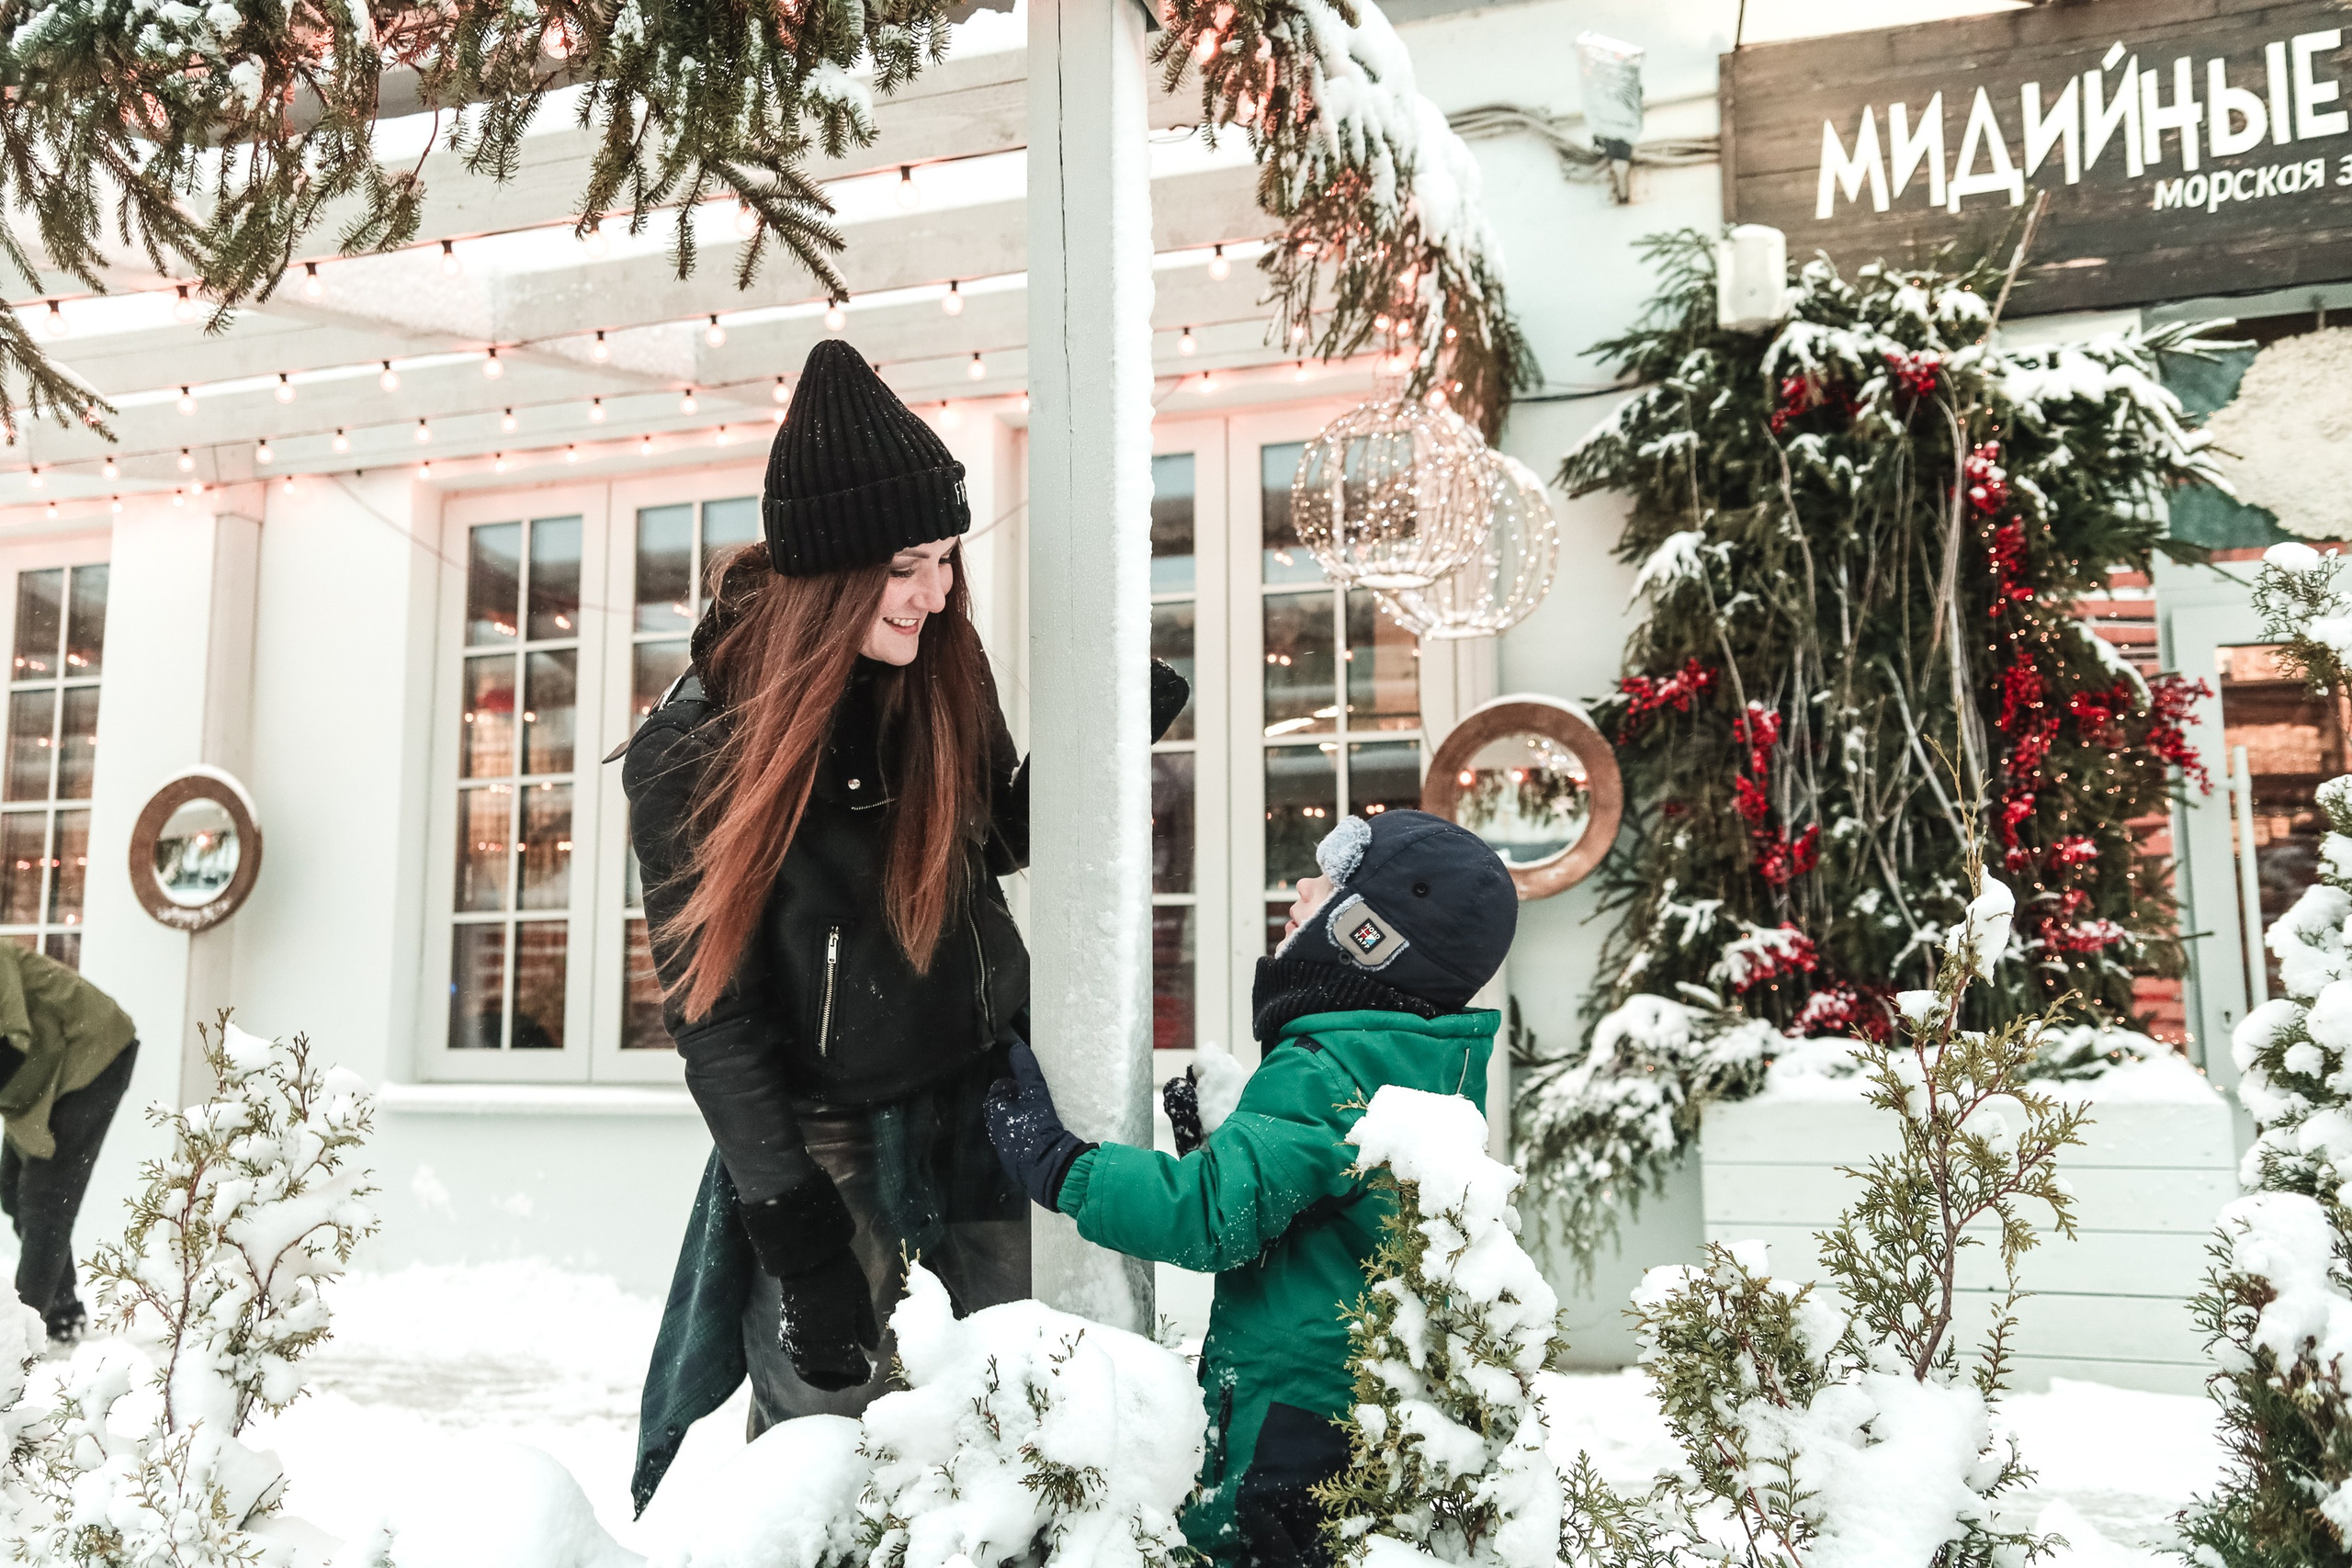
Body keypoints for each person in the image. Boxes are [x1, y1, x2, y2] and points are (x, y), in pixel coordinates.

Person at [624, 338, 1187, 1513]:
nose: (935, 593)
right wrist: (798, 1241)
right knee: (827, 1447)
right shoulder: (696, 749)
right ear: (830, 573)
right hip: (823, 1133)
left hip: (985, 1093)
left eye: (944, 560)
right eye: (906, 567)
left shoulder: (938, 662)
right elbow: (713, 1019)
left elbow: (986, 845)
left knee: (1022, 1414)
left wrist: (1105, 734)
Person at [984, 808, 1517, 1568]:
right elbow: (1315, 1202)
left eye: (1327, 883)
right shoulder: (1423, 1058)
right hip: (1355, 1395)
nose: (1300, 888)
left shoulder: (1328, 1065)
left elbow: (1208, 1216)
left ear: (1368, 933)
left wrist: (1060, 1163)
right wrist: (1217, 1146)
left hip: (1289, 1406)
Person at [0, 942, 139, 1343]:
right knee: (11, 1191)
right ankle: (63, 1312)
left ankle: (17, 1342)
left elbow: (8, 1048)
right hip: (41, 1075)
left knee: (44, 1199)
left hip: (92, 1054)